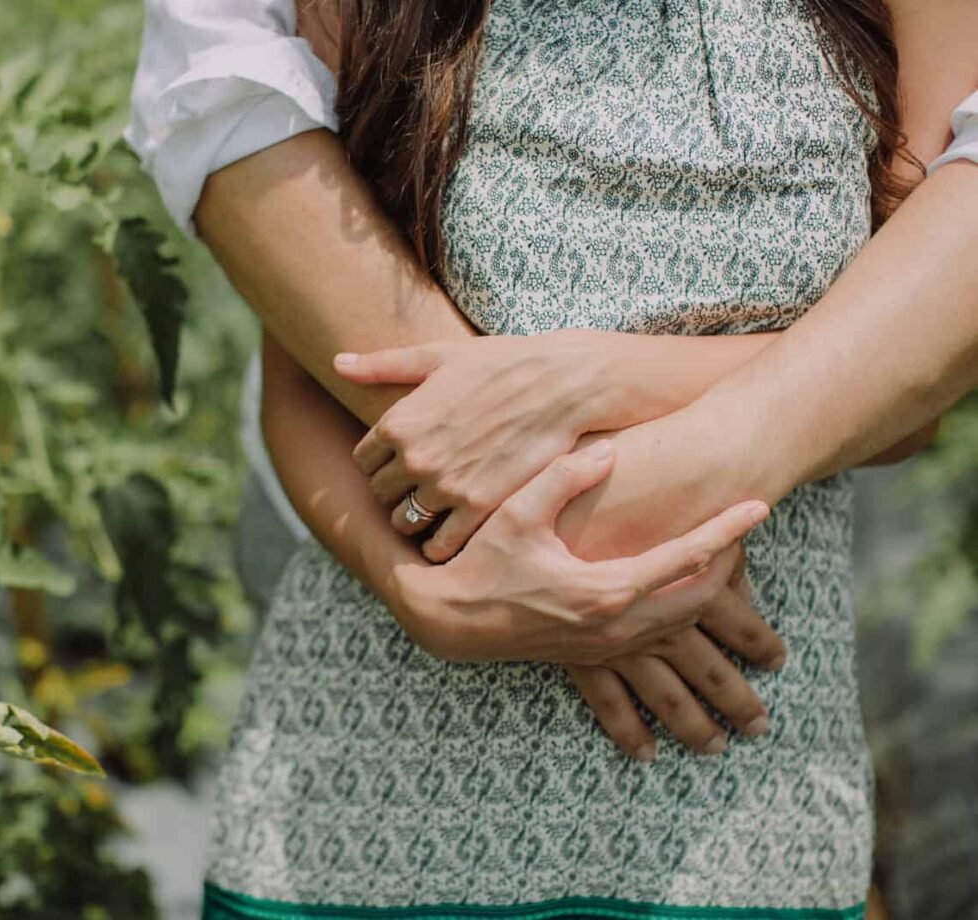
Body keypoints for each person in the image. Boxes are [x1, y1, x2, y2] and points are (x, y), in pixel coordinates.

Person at [128, 0, 978, 915]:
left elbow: (901, 406)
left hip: (737, 818)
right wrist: (426, 597)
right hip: (359, 803)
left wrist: (592, 378)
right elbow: (308, 376)